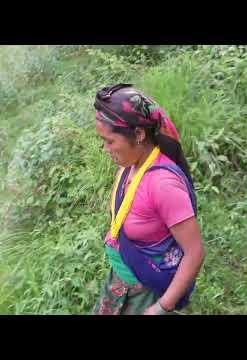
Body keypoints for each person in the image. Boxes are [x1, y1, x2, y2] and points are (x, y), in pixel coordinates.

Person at [92, 83, 205, 315]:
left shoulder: (163, 185)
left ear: (139, 134)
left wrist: (161, 308)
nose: (105, 149)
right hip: (121, 282)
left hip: (148, 294)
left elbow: (195, 253)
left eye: (110, 141)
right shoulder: (129, 166)